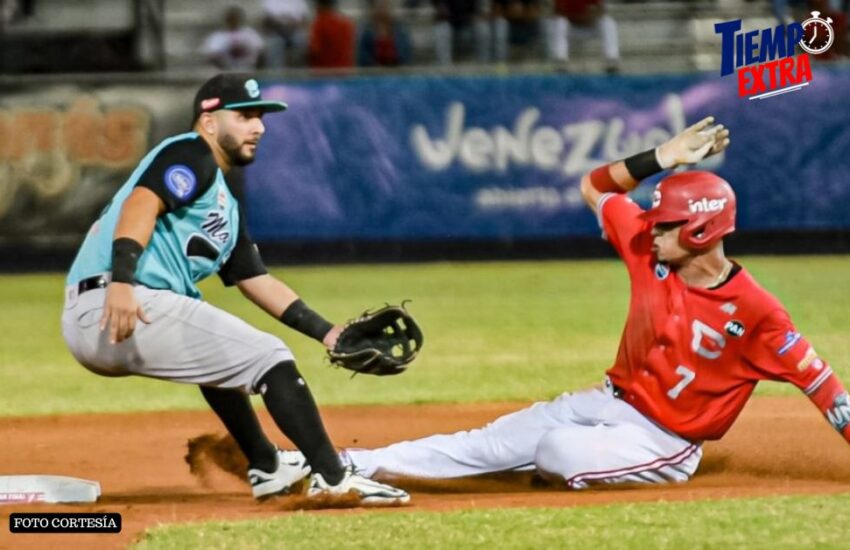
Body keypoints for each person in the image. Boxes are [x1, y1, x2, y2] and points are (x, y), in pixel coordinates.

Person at [279, 117, 850, 488]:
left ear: (701, 233)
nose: (650, 229)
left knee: (554, 451)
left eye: (666, 225)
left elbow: (827, 390)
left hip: (665, 442)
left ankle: (540, 467)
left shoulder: (758, 312)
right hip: (607, 401)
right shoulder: (647, 248)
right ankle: (352, 464)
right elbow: (597, 187)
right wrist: (662, 155)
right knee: (490, 440)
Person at [60, 73, 409, 505]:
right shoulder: (191, 153)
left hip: (123, 311)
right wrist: (123, 282)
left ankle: (267, 465)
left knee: (223, 357)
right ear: (208, 120)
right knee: (271, 358)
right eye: (244, 116)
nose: (258, 127)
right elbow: (142, 203)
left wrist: (329, 333)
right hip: (118, 303)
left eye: (260, 117)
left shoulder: (225, 204)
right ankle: (334, 478)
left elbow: (255, 279)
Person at [547, 0, 620, 73]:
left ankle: (611, 60)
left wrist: (592, 17)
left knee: (608, 22)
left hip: (589, 26)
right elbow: (557, 12)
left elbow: (601, 10)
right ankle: (560, 61)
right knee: (560, 22)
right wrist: (579, 17)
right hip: (571, 27)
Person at [201, 6, 266, 71]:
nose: (233, 21)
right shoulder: (217, 36)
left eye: (235, 18)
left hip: (249, 69)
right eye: (231, 18)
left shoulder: (250, 34)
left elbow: (260, 51)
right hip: (225, 71)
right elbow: (211, 55)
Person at [357, 0, 413, 67]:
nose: (382, 9)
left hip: (397, 69)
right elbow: (363, 56)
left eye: (385, 6)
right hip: (373, 72)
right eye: (380, 6)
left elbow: (406, 52)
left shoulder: (400, 30)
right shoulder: (367, 31)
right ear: (374, 9)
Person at [308, 0, 356, 69]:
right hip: (344, 71)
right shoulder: (346, 23)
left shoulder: (319, 24)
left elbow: (315, 50)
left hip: (323, 73)